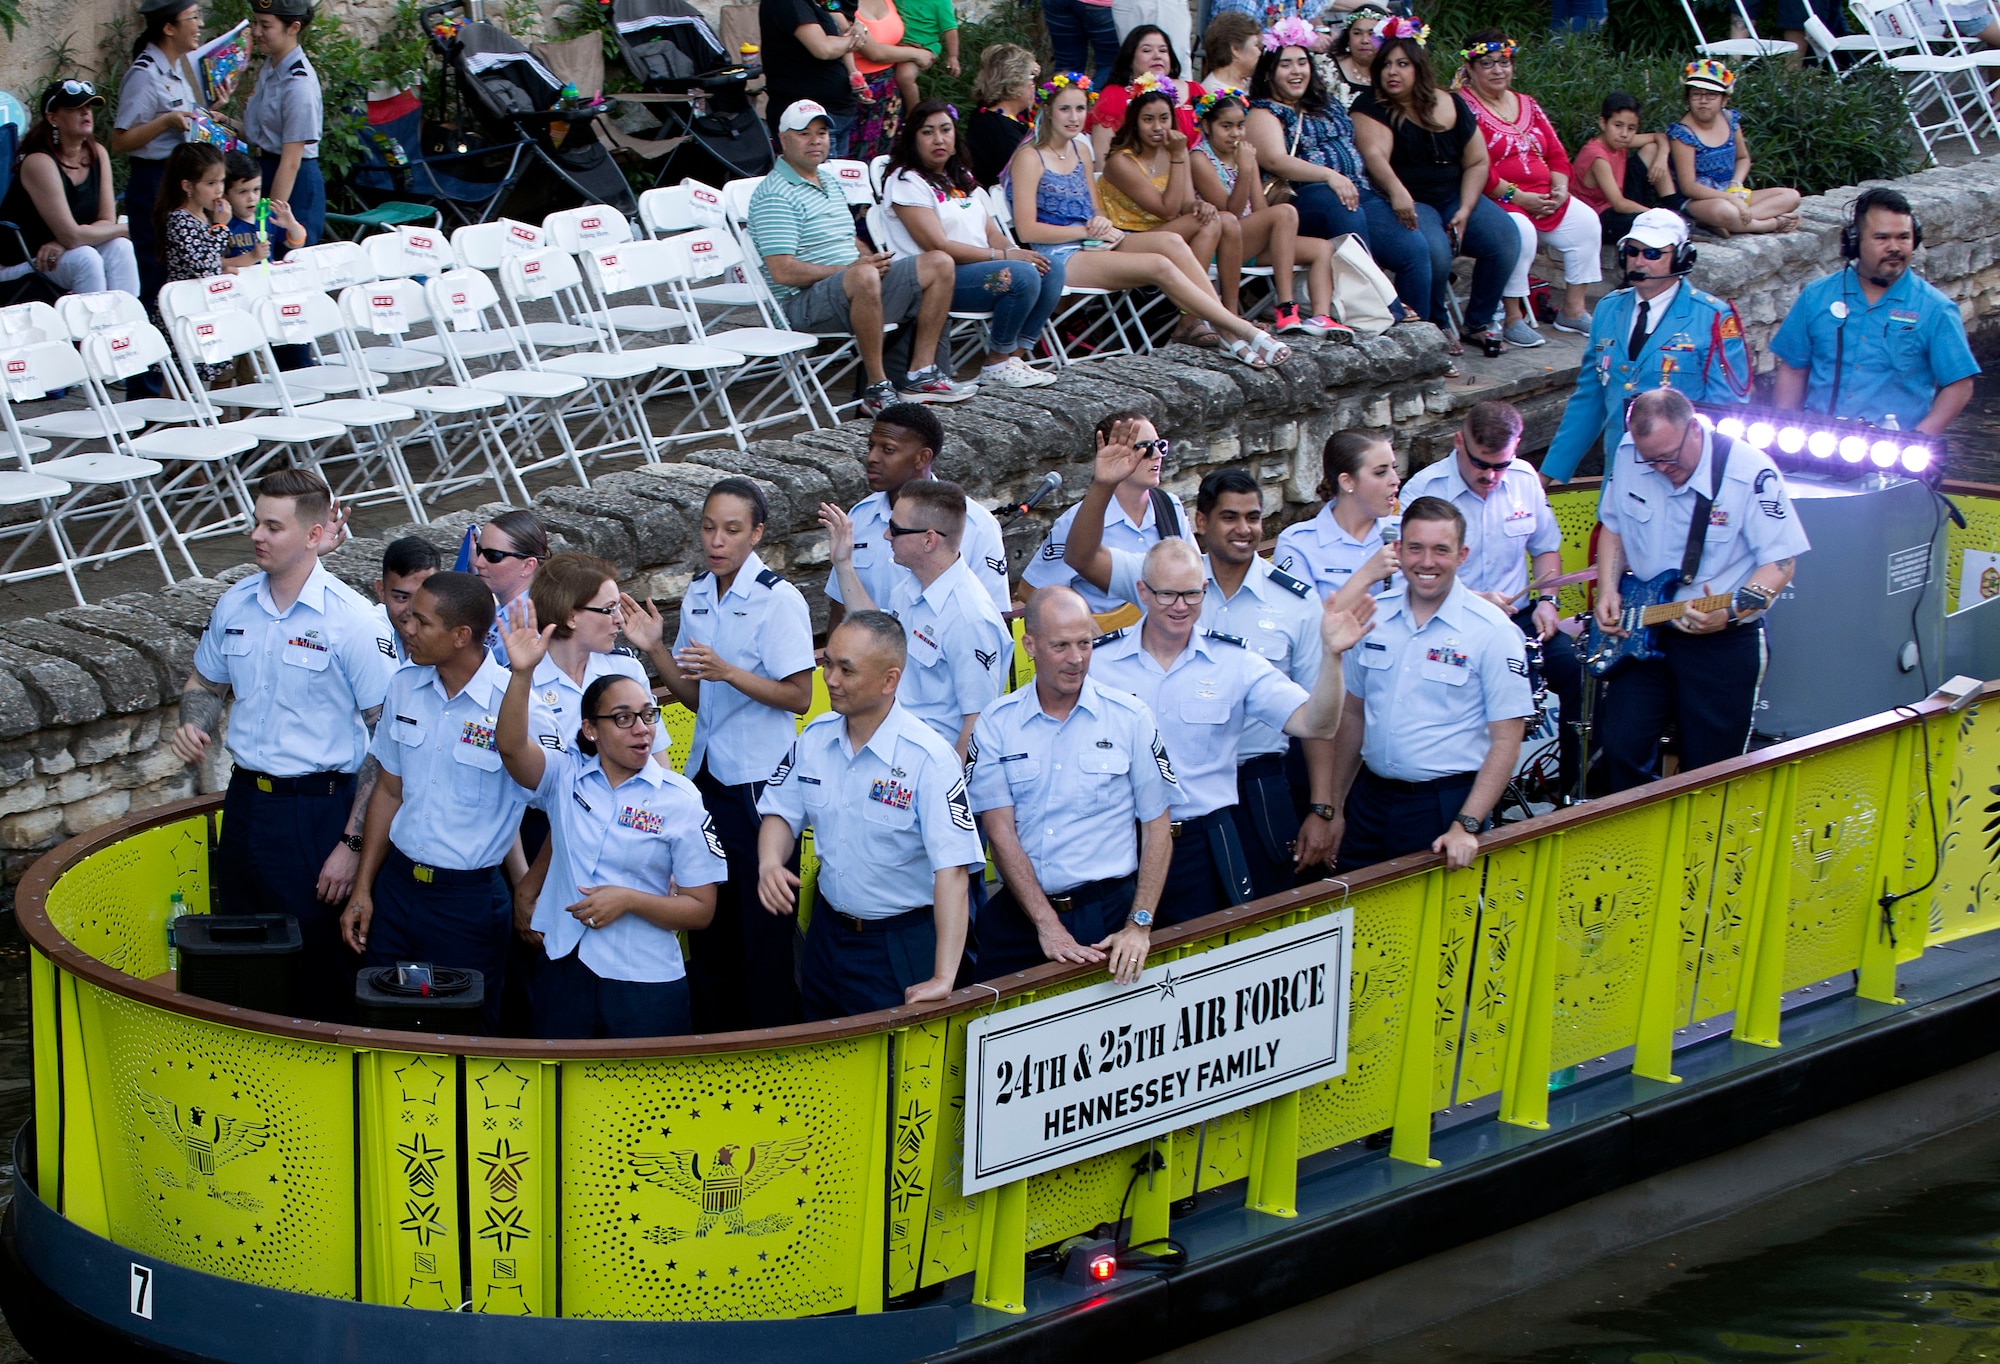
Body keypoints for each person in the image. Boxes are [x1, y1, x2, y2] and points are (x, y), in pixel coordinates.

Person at [169, 469, 397, 1022]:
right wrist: (192, 722)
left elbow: (388, 741)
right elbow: (206, 681)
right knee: (243, 946)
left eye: (274, 526)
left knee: (317, 958)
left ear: (315, 534)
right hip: (246, 801)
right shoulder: (234, 605)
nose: (257, 535)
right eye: (256, 521)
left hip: (319, 810)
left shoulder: (353, 623)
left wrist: (350, 842)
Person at [1064, 451, 1342, 897]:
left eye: (1253, 517)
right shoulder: (1168, 566)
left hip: (1255, 782)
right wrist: (1102, 486)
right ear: (1200, 521)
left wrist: (1324, 807)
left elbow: (1316, 720)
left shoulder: (1295, 602)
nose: (1244, 529)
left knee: (1247, 910)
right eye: (1229, 517)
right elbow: (1080, 555)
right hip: (1149, 801)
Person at [1086, 534, 1370, 924]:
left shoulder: (1234, 662)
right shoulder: (1100, 665)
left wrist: (1333, 658)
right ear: (1143, 592)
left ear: (1204, 590)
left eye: (1191, 594)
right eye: (1168, 594)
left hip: (1202, 843)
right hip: (1122, 842)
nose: (1180, 607)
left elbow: (1315, 723)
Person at [624, 479, 815, 1032]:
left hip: (759, 785)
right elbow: (698, 700)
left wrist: (729, 671)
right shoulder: (699, 593)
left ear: (756, 534)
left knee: (763, 929)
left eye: (732, 529)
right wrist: (656, 647)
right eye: (709, 527)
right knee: (709, 920)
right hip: (707, 779)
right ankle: (711, 1039)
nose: (716, 540)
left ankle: (773, 1044)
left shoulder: (779, 599)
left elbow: (799, 697)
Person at [340, 572, 557, 1034]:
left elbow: (555, 798)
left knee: (464, 1036)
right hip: (397, 890)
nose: (407, 628)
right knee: (382, 1026)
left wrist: (529, 888)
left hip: (468, 903)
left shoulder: (519, 707)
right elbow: (389, 791)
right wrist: (363, 889)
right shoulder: (403, 685)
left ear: (461, 636)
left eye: (421, 621)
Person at [496, 605, 726, 1039]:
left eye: (648, 715)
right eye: (622, 718)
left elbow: (701, 910)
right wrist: (521, 674)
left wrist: (628, 900)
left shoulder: (680, 800)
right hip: (565, 968)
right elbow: (511, 749)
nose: (642, 729)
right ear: (590, 730)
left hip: (643, 982)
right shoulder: (565, 776)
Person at [756, 611, 986, 1020]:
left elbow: (953, 871)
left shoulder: (928, 759)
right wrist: (770, 862)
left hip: (899, 942)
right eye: (828, 663)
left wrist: (943, 976)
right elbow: (780, 810)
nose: (830, 679)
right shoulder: (814, 739)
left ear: (889, 680)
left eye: (847, 669)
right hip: (828, 935)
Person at [1593, 389, 1810, 792]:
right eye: (1650, 460)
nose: (1661, 468)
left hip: (1720, 643)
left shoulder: (1750, 471)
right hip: (1642, 631)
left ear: (1695, 429)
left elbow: (1781, 563)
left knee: (1711, 770)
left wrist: (1728, 613)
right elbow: (1614, 528)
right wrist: (1607, 589)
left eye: (1670, 457)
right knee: (1618, 749)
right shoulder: (1630, 452)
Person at [1009, 73, 1293, 367]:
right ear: (1048, 111)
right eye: (1065, 109)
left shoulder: (1081, 149)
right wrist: (1087, 229)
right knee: (1159, 264)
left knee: (1171, 241)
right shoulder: (1030, 157)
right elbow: (1028, 230)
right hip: (1057, 254)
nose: (1074, 117)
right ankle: (1238, 330)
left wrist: (1101, 222)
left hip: (1097, 240)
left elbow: (1095, 208)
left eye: (1080, 109)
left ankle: (1226, 331)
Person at [968, 585, 1174, 982]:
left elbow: (1157, 826)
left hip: (1110, 916)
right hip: (1023, 916)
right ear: (1029, 645)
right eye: (1061, 646)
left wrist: (1140, 924)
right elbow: (1000, 832)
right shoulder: (997, 724)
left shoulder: (1130, 717)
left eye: (1085, 643)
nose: (1076, 659)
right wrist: (1047, 925)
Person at [1325, 495, 1533, 873]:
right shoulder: (1375, 616)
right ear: (1399, 550)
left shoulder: (1493, 631)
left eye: (1441, 550)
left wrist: (1466, 824)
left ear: (1462, 555)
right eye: (1416, 548)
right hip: (1369, 800)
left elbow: (1507, 739)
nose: (1426, 562)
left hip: (1443, 807)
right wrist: (1335, 807)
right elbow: (1353, 714)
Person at [1399, 401, 1583, 796]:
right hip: (1446, 620)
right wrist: (1474, 598)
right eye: (1481, 464)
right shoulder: (1425, 490)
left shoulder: (1523, 478)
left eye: (1501, 465)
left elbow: (1546, 548)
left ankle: (1573, 793)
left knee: (1579, 674)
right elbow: (1405, 573)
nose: (1491, 476)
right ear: (1458, 443)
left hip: (1516, 617)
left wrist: (1548, 600)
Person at [747, 99, 971, 417]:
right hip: (803, 305)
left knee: (939, 263)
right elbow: (782, 271)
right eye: (804, 134)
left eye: (822, 132)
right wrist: (853, 269)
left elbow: (846, 239)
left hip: (852, 287)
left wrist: (871, 260)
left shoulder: (829, 181)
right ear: (783, 140)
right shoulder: (775, 194)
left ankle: (922, 373)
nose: (815, 140)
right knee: (864, 275)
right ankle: (877, 389)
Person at [1541, 209, 1753, 484]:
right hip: (1619, 477)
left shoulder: (1712, 317)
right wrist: (1548, 474)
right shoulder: (1608, 308)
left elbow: (1726, 409)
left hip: (1682, 477)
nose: (1639, 261)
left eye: (1653, 253)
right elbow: (1589, 399)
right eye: (1632, 251)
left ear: (1681, 257)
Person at [1350, 22, 1519, 354]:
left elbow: (1477, 162)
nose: (1392, 73)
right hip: (1410, 199)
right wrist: (1399, 193)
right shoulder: (1369, 106)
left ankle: (1478, 322)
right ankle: (1436, 324)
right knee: (1435, 251)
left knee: (1505, 238)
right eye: (1385, 65)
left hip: (1454, 194)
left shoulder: (1449, 103)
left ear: (1419, 67)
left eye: (1402, 64)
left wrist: (1466, 210)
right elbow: (1374, 155)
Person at [880, 101, 1063, 390]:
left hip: (983, 272)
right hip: (944, 281)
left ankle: (1013, 358)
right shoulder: (906, 181)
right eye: (928, 132)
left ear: (955, 138)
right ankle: (997, 361)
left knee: (1049, 269)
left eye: (945, 130)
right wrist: (1005, 257)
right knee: (1021, 276)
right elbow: (937, 244)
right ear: (914, 139)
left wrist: (1016, 252)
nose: (938, 139)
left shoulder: (962, 177)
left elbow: (991, 232)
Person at [1770, 187, 1980, 436]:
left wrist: (1919, 439)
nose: (1894, 247)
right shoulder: (1816, 296)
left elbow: (1960, 384)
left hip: (1893, 457)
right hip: (1816, 447)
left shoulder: (1935, 309)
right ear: (1855, 242)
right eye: (1882, 238)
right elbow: (1793, 368)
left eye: (1903, 237)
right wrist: (1785, 429)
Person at [823, 479, 1010, 757]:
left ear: (929, 539)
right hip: (899, 756)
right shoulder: (912, 586)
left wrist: (949, 792)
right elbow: (878, 632)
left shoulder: (969, 618)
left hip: (933, 766)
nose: (886, 535)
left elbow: (977, 724)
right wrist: (843, 564)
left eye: (896, 529)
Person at [114, 0, 227, 396]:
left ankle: (174, 386)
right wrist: (163, 122)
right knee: (156, 283)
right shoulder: (144, 74)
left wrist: (212, 113)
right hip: (153, 182)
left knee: (178, 285)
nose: (199, 25)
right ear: (167, 27)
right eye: (192, 18)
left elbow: (185, 123)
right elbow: (120, 138)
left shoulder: (175, 67)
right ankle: (145, 392)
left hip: (178, 179)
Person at [1458, 31, 1599, 347]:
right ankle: (1512, 317)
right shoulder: (1463, 107)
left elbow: (1558, 156)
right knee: (1520, 231)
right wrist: (1519, 198)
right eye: (1487, 63)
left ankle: (1573, 311)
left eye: (1504, 63)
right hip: (1499, 199)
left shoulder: (1527, 104)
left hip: (1545, 195)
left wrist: (1560, 189)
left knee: (1587, 222)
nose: (1498, 70)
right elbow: (1478, 169)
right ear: (1470, 68)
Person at [824, 403, 1011, 627]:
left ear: (922, 458)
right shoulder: (860, 516)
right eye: (871, 446)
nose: (872, 457)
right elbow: (840, 608)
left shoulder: (976, 525)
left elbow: (993, 619)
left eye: (888, 449)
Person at [1192, 86, 1344, 333]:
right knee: (1285, 212)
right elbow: (1229, 211)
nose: (1235, 134)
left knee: (1322, 248)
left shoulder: (1245, 155)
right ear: (1207, 126)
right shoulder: (1199, 159)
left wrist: (1247, 166)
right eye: (1226, 126)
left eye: (1240, 126)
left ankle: (1320, 317)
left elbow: (1260, 210)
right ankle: (1285, 307)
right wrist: (1246, 170)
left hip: (1251, 240)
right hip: (1223, 245)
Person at [1023, 408, 1196, 613]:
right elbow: (1031, 589)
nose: (1157, 455)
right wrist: (1083, 620)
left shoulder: (1170, 507)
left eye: (1160, 446)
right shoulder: (1077, 521)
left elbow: (1195, 575)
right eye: (1145, 448)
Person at [0, 82, 138, 299]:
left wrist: (63, 243)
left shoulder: (97, 153)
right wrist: (128, 229)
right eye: (74, 108)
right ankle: (92, 331)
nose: (86, 112)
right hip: (23, 261)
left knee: (120, 248)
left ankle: (129, 326)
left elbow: (105, 221)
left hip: (61, 251)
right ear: (52, 118)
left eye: (89, 107)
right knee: (86, 257)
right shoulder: (39, 162)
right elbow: (73, 237)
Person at [1667, 60, 1800, 237]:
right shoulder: (1683, 133)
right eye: (1697, 94)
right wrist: (1730, 199)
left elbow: (1743, 158)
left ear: (1724, 99)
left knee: (1791, 196)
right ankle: (1769, 224)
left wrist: (1735, 184)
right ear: (1688, 98)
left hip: (1731, 192)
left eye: (1711, 95)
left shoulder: (1729, 119)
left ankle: (1733, 223)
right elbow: (1689, 187)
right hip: (1701, 200)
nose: (1703, 101)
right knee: (1725, 211)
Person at [1273, 428, 1402, 600]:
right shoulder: (1297, 543)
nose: (1395, 480)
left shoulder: (1408, 533)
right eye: (1380, 472)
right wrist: (1366, 576)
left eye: (1394, 468)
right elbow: (1303, 624)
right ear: (1347, 481)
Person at [242, 0, 325, 252]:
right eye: (255, 22)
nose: (256, 32)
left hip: (292, 183)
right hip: (267, 171)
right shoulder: (271, 67)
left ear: (293, 27)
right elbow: (264, 135)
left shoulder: (298, 84)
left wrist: (266, 219)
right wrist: (225, 124)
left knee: (285, 262)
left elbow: (291, 161)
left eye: (265, 25)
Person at [151, 142, 234, 385]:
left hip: (200, 307)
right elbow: (203, 265)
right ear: (187, 186)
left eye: (221, 182)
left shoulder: (202, 215)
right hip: (183, 309)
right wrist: (220, 227)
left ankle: (193, 421)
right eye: (210, 183)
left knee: (195, 378)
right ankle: (172, 422)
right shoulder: (179, 219)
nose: (219, 190)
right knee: (182, 382)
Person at [1571, 92, 1680, 245]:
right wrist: (1657, 215)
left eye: (1631, 128)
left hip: (1616, 203)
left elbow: (1659, 137)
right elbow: (1619, 204)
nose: (1624, 134)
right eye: (1618, 125)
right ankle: (1671, 219)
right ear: (1603, 123)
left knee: (1652, 149)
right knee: (1651, 225)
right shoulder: (1597, 156)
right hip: (1598, 219)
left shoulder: (1619, 140)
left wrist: (1661, 158)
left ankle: (1675, 210)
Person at [760, 0, 864, 154]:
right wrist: (856, 38)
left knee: (836, 177)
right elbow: (823, 48)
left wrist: (859, 28)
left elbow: (842, 30)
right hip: (809, 121)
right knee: (818, 177)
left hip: (837, 113)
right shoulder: (789, 4)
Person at [1089, 26, 1204, 160]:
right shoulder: (1113, 95)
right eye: (1147, 50)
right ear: (1130, 59)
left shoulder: (1194, 89)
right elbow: (1104, 159)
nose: (1157, 56)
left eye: (1163, 50)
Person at [848, 0, 938, 162]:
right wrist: (916, 54)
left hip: (890, 90)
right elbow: (874, 52)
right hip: (861, 93)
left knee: (887, 158)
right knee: (858, 160)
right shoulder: (841, 5)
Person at [471, 509, 547, 665]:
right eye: (479, 551)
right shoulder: (504, 610)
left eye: (493, 556)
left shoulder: (529, 626)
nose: (478, 563)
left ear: (527, 566)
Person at [965, 43, 1040, 187]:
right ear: (1015, 82)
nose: (1033, 85)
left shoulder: (988, 114)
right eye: (1031, 79)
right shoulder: (1000, 131)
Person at [220, 151, 305, 271]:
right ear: (225, 194)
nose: (252, 197)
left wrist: (291, 225)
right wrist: (251, 257)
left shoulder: (267, 214)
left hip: (268, 280)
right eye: (242, 192)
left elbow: (296, 243)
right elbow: (216, 263)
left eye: (256, 189)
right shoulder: (222, 221)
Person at [371, 534, 440, 667]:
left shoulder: (455, 649)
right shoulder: (362, 640)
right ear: (381, 592)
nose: (412, 610)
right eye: (402, 598)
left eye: (422, 597)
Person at [890, 0, 959, 113]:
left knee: (905, 76)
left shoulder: (941, 2)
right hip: (898, 45)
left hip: (924, 46)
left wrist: (953, 56)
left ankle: (914, 114)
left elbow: (950, 29)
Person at [1043, 0, 1121, 89]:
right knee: (1109, 64)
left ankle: (1062, 102)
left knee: (1066, 66)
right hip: (1100, 5)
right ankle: (1097, 101)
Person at [1331, 4, 1386, 106]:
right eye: (1357, 33)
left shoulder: (1392, 72)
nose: (1365, 40)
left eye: (1372, 34)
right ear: (1348, 38)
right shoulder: (1328, 70)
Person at [1202, 11, 1263, 93]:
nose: (1260, 53)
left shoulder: (1249, 83)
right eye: (1256, 45)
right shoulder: (1216, 93)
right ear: (1235, 49)